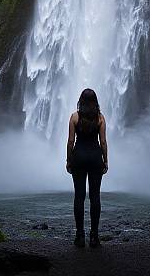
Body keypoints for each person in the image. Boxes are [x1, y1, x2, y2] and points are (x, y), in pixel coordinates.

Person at [66, 88, 108, 248]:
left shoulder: (74, 117)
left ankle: (80, 236)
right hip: (95, 157)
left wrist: (69, 160)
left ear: (81, 101)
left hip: (79, 157)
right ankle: (94, 237)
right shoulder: (100, 118)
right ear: (95, 101)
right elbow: (103, 142)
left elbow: (70, 141)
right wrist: (106, 160)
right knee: (95, 196)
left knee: (79, 196)